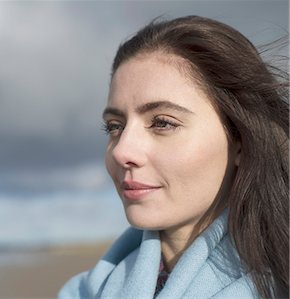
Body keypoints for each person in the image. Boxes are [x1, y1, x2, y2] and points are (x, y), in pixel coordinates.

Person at [58, 15, 288, 299]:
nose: (121, 151)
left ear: (240, 141)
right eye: (115, 127)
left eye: (162, 123)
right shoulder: (86, 291)